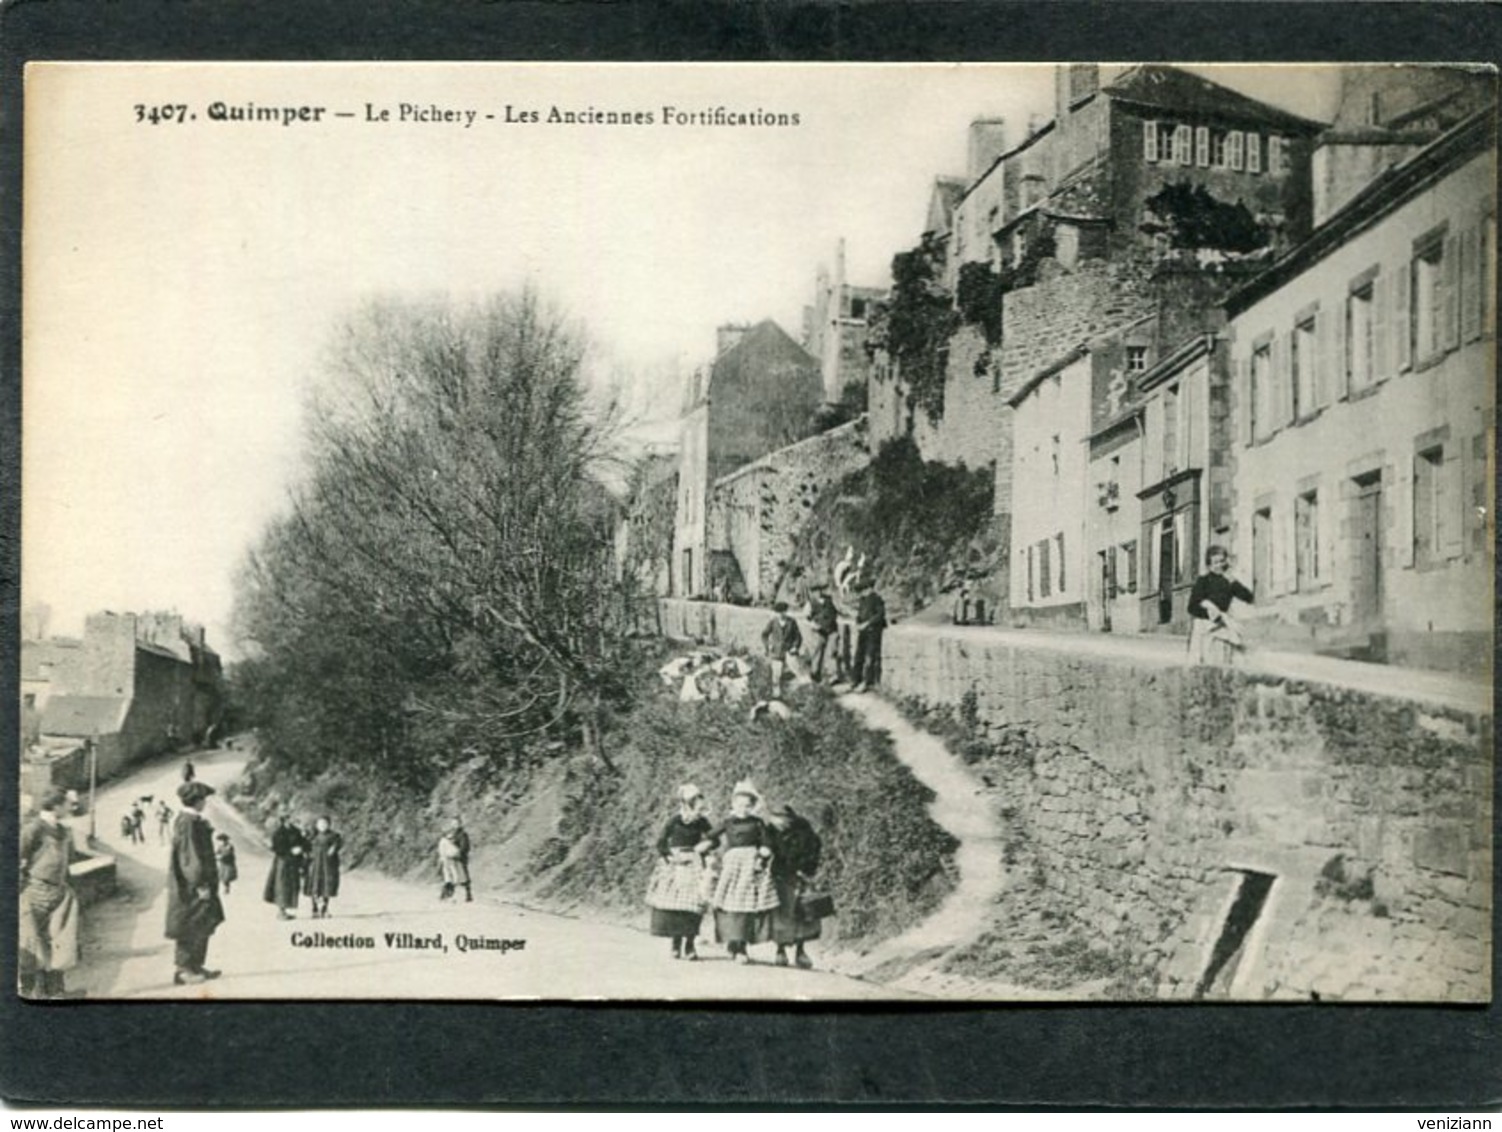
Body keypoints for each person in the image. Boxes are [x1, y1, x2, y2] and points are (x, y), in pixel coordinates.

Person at [703, 779, 779, 965]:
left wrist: (763, 855)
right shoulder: (728, 822)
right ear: (733, 804)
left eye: (747, 805)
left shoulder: (757, 823)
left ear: (752, 806)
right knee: (728, 903)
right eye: (739, 804)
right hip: (731, 865)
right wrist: (706, 851)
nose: (743, 808)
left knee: (746, 905)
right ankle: (731, 942)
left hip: (750, 865)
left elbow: (767, 842)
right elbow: (709, 836)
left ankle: (742, 946)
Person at [19, 789, 81, 998]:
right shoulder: (33, 829)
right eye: (66, 803)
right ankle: (29, 993)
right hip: (34, 893)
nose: (70, 807)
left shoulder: (63, 830)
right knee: (31, 944)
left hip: (59, 894)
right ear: (55, 806)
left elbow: (67, 863)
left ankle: (56, 991)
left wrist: (69, 887)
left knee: (60, 944)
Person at [164, 780, 224, 986]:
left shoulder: (192, 820)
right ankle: (183, 970)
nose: (205, 802)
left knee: (201, 922)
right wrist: (200, 884)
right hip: (191, 885)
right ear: (196, 801)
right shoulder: (188, 822)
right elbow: (190, 857)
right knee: (189, 923)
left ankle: (196, 965)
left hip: (198, 883)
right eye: (203, 799)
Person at [644, 784, 713, 960]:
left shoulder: (702, 822)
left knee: (693, 906)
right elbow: (660, 843)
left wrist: (703, 846)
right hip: (675, 864)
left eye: (700, 805)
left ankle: (690, 946)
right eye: (695, 804)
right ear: (687, 804)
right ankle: (676, 943)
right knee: (675, 906)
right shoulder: (675, 820)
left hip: (694, 864)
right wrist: (671, 857)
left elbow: (715, 839)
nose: (699, 809)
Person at [765, 802, 827, 970]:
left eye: (780, 819)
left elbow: (814, 848)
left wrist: (806, 869)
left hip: (802, 875)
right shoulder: (770, 831)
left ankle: (801, 951)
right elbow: (766, 849)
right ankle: (780, 950)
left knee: (804, 914)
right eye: (774, 819)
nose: (777, 823)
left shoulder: (803, 831)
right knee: (782, 913)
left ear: (788, 819)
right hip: (781, 876)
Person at [1188, 545, 1254, 665]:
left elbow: (1249, 597)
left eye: (1222, 561)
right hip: (1205, 625)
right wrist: (1209, 614)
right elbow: (1192, 607)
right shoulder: (1203, 581)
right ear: (1209, 565)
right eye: (1215, 562)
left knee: (1225, 657)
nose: (1219, 565)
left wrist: (1233, 581)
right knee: (1206, 658)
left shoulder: (1228, 581)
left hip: (1222, 624)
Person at [263, 814, 307, 920]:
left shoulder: (296, 831)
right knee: (282, 885)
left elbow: (304, 844)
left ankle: (286, 910)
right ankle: (281, 911)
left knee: (292, 885)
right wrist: (291, 851)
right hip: (283, 861)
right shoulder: (279, 833)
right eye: (290, 818)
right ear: (285, 820)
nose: (292, 820)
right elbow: (277, 848)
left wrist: (302, 847)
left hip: (294, 862)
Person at [760, 601, 803, 698]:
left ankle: (796, 695)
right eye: (778, 612)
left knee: (796, 673)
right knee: (776, 675)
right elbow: (764, 635)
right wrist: (768, 646)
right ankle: (777, 696)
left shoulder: (791, 622)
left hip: (789, 651)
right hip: (776, 652)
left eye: (783, 612)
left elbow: (798, 637)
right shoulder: (773, 622)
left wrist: (795, 647)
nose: (780, 614)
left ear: (786, 611)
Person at [851, 579, 887, 693]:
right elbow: (859, 614)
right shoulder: (863, 600)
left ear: (869, 589)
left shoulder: (877, 599)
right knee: (858, 656)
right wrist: (858, 622)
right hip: (863, 631)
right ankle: (855, 680)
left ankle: (867, 682)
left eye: (864, 590)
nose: (862, 592)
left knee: (869, 657)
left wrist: (867, 623)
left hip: (873, 631)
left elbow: (880, 615)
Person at [305, 816, 342, 919]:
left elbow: (338, 844)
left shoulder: (334, 836)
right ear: (316, 825)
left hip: (328, 865)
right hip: (315, 864)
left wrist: (333, 848)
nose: (322, 826)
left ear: (329, 824)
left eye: (325, 823)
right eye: (320, 824)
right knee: (314, 885)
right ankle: (314, 909)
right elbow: (306, 847)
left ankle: (325, 908)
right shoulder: (312, 836)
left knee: (327, 885)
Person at [806, 584, 844, 684]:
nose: (817, 593)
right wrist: (813, 624)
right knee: (817, 651)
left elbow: (836, 613)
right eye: (814, 592)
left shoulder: (829, 600)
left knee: (832, 651)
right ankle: (815, 674)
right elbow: (807, 617)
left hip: (831, 629)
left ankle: (833, 676)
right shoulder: (810, 603)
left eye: (819, 591)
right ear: (812, 593)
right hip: (818, 630)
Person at [437, 816, 472, 902]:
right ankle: (447, 893)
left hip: (459, 856)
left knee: (462, 876)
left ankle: (468, 894)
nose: (454, 825)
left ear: (460, 824)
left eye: (456, 823)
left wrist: (459, 853)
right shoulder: (453, 834)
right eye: (453, 823)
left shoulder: (463, 834)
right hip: (452, 857)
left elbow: (465, 847)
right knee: (451, 875)